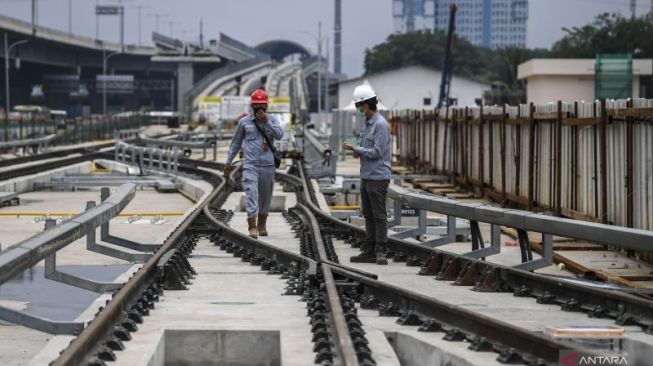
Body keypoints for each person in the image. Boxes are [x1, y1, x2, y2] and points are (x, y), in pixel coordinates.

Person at [342, 84, 392, 265]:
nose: (359, 109)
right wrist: (357, 150)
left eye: (359, 105)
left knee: (379, 215)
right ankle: (369, 249)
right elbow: (365, 150)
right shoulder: (367, 125)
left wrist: (357, 148)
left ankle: (381, 251)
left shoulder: (380, 125)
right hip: (367, 176)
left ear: (367, 104)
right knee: (368, 215)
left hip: (378, 177)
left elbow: (377, 151)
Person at [224, 89, 284, 239]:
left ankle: (262, 224)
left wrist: (267, 122)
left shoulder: (273, 120)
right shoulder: (244, 122)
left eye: (262, 106)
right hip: (250, 165)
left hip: (268, 165)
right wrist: (228, 162)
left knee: (265, 196)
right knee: (251, 193)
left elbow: (280, 135)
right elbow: (235, 143)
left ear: (266, 107)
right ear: (252, 106)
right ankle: (252, 226)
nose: (259, 109)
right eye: (256, 106)